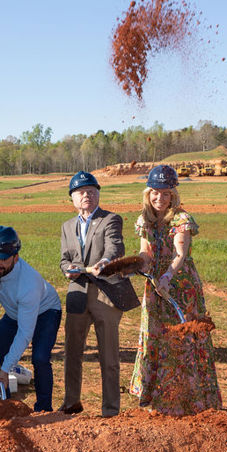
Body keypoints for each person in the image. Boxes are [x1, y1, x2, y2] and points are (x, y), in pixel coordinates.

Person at [129, 165, 221, 415]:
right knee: (155, 334)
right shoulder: (144, 220)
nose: (160, 198)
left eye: (166, 193)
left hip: (181, 287)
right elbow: (145, 252)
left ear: (173, 195)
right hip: (155, 286)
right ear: (148, 194)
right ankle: (158, 399)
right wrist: (138, 264)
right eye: (155, 193)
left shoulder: (182, 219)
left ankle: (191, 401)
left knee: (183, 338)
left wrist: (167, 277)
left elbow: (180, 255)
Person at [59, 171, 140, 417]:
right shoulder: (67, 227)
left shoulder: (110, 219)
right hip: (77, 293)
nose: (87, 196)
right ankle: (71, 402)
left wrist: (103, 263)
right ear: (72, 198)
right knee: (72, 352)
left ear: (98, 195)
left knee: (109, 354)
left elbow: (115, 247)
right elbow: (64, 259)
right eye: (81, 192)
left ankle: (111, 409)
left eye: (92, 191)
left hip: (105, 293)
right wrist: (67, 271)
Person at [0, 226, 61, 412]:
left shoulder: (28, 285)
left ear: (16, 257)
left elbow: (24, 334)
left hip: (46, 312)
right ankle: (4, 405)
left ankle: (44, 410)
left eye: (3, 259)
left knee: (40, 358)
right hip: (15, 312)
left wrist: (6, 369)